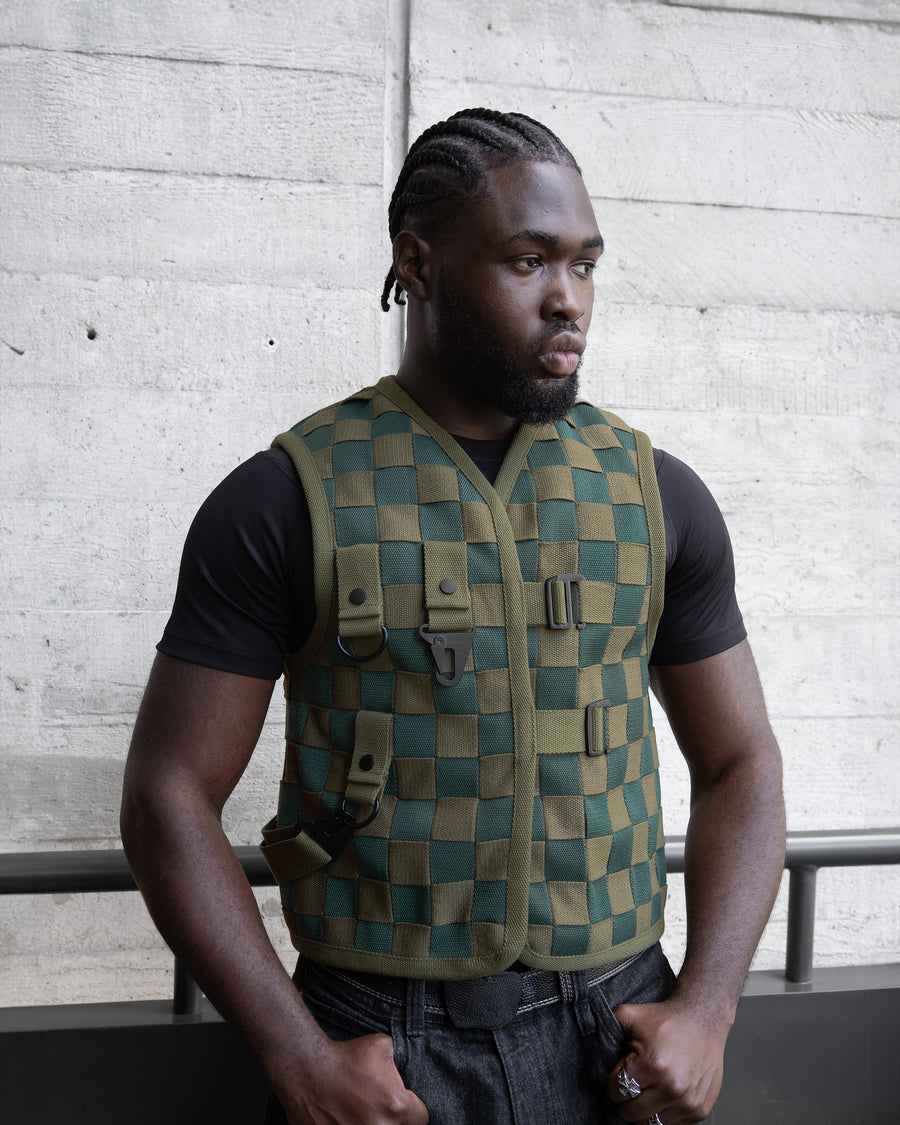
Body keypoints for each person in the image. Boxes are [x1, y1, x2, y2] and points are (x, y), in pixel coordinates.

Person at [121, 108, 786, 1125]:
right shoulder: (285, 498)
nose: (568, 299)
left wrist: (709, 1008)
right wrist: (298, 1057)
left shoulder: (657, 496)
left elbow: (743, 763)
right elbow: (169, 793)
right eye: (528, 260)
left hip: (623, 1030)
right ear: (419, 264)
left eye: (584, 264)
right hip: (378, 1041)